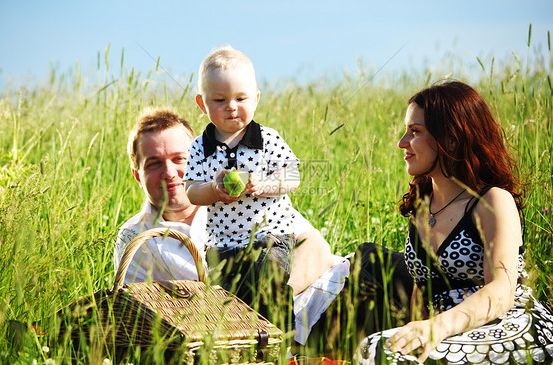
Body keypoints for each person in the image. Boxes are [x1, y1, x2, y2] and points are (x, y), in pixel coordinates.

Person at [114, 107, 413, 359]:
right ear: (137, 174)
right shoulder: (137, 238)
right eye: (153, 163)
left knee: (406, 276)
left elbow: (315, 248)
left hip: (333, 290)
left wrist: (256, 305)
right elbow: (139, 323)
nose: (169, 172)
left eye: (179, 159)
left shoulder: (246, 197)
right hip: (252, 343)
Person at [355, 81, 553, 364]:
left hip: (504, 325)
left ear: (450, 139)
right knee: (378, 348)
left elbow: (501, 290)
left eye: (415, 132)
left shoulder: (491, 201)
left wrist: (439, 327)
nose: (402, 143)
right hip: (444, 333)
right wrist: (412, 331)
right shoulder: (422, 205)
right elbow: (418, 291)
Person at [183, 46, 328, 325]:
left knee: (271, 279)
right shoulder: (199, 148)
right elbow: (191, 191)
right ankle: (239, 348)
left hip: (269, 236)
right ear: (202, 104)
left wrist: (265, 184)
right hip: (222, 244)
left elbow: (293, 177)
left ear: (256, 99)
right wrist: (213, 190)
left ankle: (278, 339)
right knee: (228, 304)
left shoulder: (268, 139)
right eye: (219, 100)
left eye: (241, 97)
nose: (231, 106)